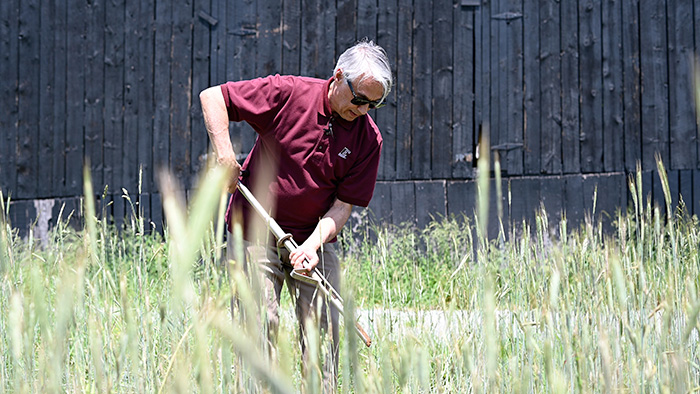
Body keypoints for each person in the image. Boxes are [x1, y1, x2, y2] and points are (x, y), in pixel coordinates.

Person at [199, 39, 393, 391]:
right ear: (337, 77)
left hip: (312, 237)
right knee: (260, 325)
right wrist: (225, 154)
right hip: (254, 232)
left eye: (374, 104)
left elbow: (342, 206)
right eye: (359, 99)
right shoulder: (289, 94)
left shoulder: (368, 139)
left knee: (325, 327)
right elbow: (213, 96)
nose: (364, 110)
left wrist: (312, 246)